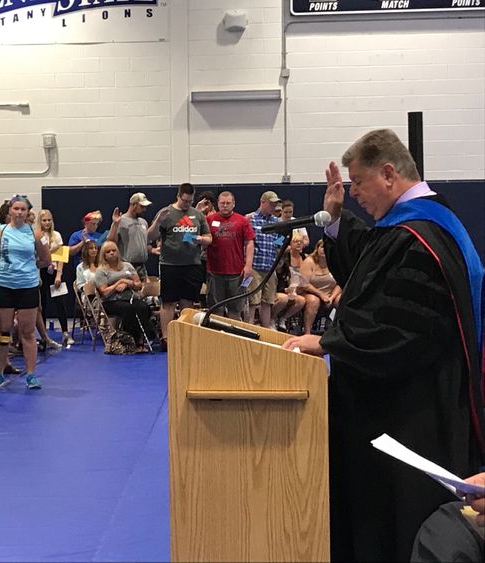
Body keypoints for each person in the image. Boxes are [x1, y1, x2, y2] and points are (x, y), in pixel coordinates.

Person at [283, 129, 485, 562]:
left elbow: (401, 327)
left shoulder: (420, 236)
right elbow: (372, 269)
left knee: (398, 522)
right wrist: (335, 219)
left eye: (358, 183)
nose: (353, 193)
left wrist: (328, 340)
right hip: (405, 403)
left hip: (411, 415)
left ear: (389, 173)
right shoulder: (415, 227)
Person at [0, 195, 50, 390]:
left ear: (28, 212)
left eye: (23, 209)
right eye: (16, 209)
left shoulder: (35, 234)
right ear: (10, 211)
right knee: (4, 330)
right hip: (5, 285)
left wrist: (31, 266)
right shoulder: (0, 232)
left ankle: (31, 374)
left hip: (27, 286)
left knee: (27, 331)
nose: (19, 212)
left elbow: (46, 260)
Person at [147, 183, 211, 351]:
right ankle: (167, 338)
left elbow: (209, 237)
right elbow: (150, 236)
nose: (187, 204)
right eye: (185, 201)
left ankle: (185, 336)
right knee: (168, 302)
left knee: (187, 303)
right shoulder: (166, 213)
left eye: (190, 201)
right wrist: (157, 222)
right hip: (170, 264)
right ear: (178, 196)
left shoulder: (197, 215)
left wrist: (201, 240)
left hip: (192, 264)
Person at [95, 241, 154, 353]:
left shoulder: (127, 266)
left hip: (131, 297)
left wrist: (127, 283)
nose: (112, 253)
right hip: (111, 301)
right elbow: (105, 292)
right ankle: (131, 341)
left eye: (114, 250)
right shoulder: (101, 271)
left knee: (143, 307)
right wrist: (118, 283)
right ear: (104, 255)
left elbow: (138, 285)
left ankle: (142, 340)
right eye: (108, 252)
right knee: (129, 309)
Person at [205, 191, 254, 319]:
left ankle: (233, 336)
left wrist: (248, 265)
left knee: (235, 309)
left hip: (236, 273)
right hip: (215, 272)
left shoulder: (242, 221)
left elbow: (249, 243)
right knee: (216, 309)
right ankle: (218, 337)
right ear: (218, 204)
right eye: (222, 203)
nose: (225, 206)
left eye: (228, 203)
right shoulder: (209, 220)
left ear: (234, 204)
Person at [246, 191, 281, 328]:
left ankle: (265, 329)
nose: (273, 207)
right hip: (255, 265)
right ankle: (248, 327)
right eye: (271, 204)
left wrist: (277, 245)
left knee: (268, 300)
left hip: (270, 266)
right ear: (262, 203)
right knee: (253, 300)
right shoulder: (250, 219)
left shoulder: (276, 222)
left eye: (275, 204)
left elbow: (282, 238)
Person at [37, 209, 72, 345]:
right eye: (44, 220)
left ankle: (65, 333)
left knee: (60, 302)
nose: (47, 222)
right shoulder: (37, 235)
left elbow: (61, 257)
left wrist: (59, 274)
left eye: (49, 220)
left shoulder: (56, 236)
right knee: (43, 304)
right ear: (40, 222)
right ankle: (43, 335)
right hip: (42, 271)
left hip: (55, 271)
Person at [298, 239, 341, 334]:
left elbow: (340, 283)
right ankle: (307, 332)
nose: (324, 250)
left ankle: (337, 330)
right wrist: (321, 295)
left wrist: (332, 297)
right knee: (314, 300)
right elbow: (304, 284)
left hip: (329, 294)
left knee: (341, 299)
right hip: (309, 292)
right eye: (321, 247)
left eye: (326, 248)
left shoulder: (335, 263)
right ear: (317, 248)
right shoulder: (309, 261)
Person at [107, 192, 153, 280]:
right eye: (142, 207)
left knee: (144, 292)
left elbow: (146, 245)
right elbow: (110, 242)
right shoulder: (121, 221)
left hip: (142, 267)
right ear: (134, 205)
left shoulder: (144, 222)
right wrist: (115, 224)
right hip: (126, 266)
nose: (144, 210)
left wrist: (152, 249)